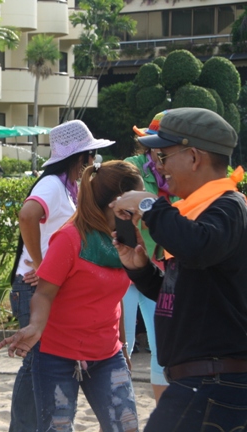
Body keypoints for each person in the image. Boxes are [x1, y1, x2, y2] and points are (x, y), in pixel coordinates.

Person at [112, 107, 247, 431]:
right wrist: (142, 270)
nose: (158, 166)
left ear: (194, 157)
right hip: (205, 382)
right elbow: (187, 292)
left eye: (163, 156)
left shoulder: (228, 206)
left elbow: (198, 248)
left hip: (214, 382)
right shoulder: (199, 212)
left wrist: (149, 205)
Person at [0, 160, 142, 432]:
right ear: (119, 202)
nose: (144, 205)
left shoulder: (126, 238)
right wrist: (36, 326)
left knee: (126, 426)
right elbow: (43, 294)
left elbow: (115, 298)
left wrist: (122, 347)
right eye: (138, 197)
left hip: (106, 353)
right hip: (57, 355)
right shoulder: (70, 238)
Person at [7, 119, 114, 432]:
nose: (94, 162)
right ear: (81, 158)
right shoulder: (53, 184)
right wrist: (42, 266)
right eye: (91, 155)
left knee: (39, 361)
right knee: (36, 361)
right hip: (33, 286)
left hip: (42, 286)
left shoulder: (67, 187)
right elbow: (27, 214)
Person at [122, 111, 174, 404]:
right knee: (122, 343)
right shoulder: (132, 167)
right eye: (155, 144)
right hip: (127, 267)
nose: (159, 150)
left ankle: (160, 413)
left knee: (162, 345)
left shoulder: (179, 174)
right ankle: (115, 415)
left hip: (161, 269)